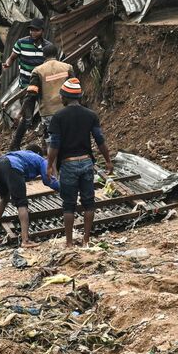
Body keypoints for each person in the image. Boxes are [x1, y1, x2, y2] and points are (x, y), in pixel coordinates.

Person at [46, 78, 113, 248]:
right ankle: (86, 241)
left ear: (65, 97)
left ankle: (69, 243)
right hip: (86, 163)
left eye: (61, 96)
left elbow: (54, 145)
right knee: (88, 202)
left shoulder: (58, 117)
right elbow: (100, 140)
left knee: (69, 205)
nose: (60, 98)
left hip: (68, 164)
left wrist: (49, 165)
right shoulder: (91, 115)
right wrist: (108, 160)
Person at [0, 144, 60, 248]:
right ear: (38, 153)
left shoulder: (21, 155)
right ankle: (25, 240)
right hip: (11, 166)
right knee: (22, 204)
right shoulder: (40, 159)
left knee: (4, 198)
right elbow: (48, 180)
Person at [10, 44, 74, 151]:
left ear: (44, 56)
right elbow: (74, 88)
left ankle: (52, 164)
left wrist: (21, 113)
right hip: (67, 110)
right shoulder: (67, 67)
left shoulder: (38, 71)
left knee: (52, 141)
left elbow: (31, 94)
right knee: (68, 138)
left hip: (48, 111)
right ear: (56, 53)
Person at [2, 18, 52, 89]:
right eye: (31, 30)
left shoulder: (48, 47)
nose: (33, 33)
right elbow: (12, 58)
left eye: (36, 30)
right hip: (25, 87)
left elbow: (52, 65)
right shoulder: (21, 43)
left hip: (42, 87)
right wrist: (8, 64)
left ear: (42, 31)